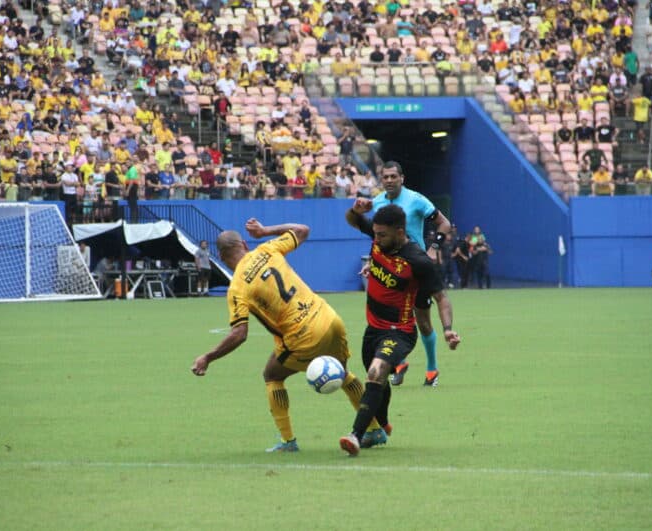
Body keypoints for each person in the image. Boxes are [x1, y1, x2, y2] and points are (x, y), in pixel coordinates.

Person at [191, 220, 371, 452]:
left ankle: (288, 441)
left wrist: (209, 356)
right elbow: (303, 230)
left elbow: (239, 333)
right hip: (330, 318)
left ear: (223, 258)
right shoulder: (268, 248)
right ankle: (374, 428)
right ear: (244, 244)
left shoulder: (237, 287)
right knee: (343, 372)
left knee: (272, 375)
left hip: (302, 334)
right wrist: (265, 231)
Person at [340, 204, 461, 456]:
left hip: (400, 331)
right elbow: (352, 220)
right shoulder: (379, 238)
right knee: (378, 383)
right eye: (375, 233)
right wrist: (355, 209)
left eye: (382, 235)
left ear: (400, 231)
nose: (377, 238)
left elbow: (441, 297)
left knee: (376, 371)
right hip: (372, 329)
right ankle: (381, 426)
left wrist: (448, 329)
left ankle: (355, 435)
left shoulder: (417, 261)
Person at [350, 161, 452, 388]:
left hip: (415, 270)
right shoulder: (377, 202)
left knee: (423, 322)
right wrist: (374, 264)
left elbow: (444, 223)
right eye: (385, 177)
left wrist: (434, 247)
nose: (389, 180)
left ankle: (431, 369)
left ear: (401, 178)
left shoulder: (416, 200)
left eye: (393, 176)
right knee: (388, 319)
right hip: (391, 272)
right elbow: (377, 239)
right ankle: (399, 362)